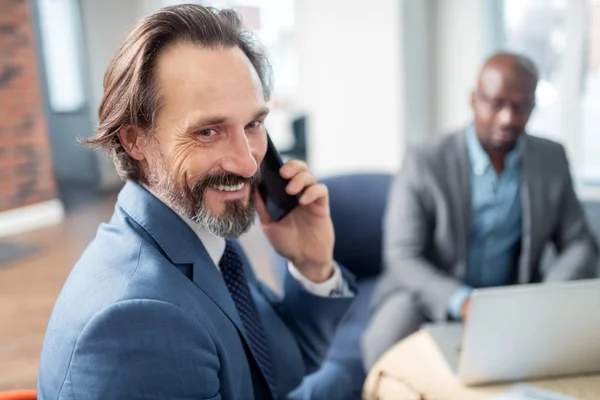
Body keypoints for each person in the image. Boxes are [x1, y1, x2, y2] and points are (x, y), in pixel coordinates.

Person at [37, 5, 356, 399]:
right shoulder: (136, 322)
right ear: (135, 140)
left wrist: (312, 265)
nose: (247, 161)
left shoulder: (201, 229)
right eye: (208, 131)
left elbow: (282, 368)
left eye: (253, 124)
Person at [362, 52, 599, 369]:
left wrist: (548, 297)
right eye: (496, 103)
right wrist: (462, 301)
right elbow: (403, 256)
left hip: (514, 297)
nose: (507, 118)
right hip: (431, 292)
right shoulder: (424, 160)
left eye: (520, 106)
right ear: (474, 99)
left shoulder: (551, 157)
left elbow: (579, 243)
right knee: (384, 342)